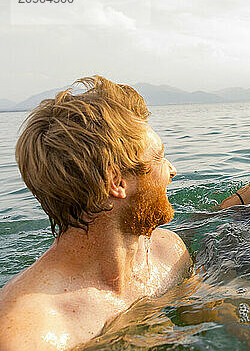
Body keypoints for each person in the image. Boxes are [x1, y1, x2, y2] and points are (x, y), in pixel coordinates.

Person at [0, 76, 191, 350]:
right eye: (159, 157)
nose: (172, 170)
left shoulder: (168, 253)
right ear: (117, 182)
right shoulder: (31, 331)